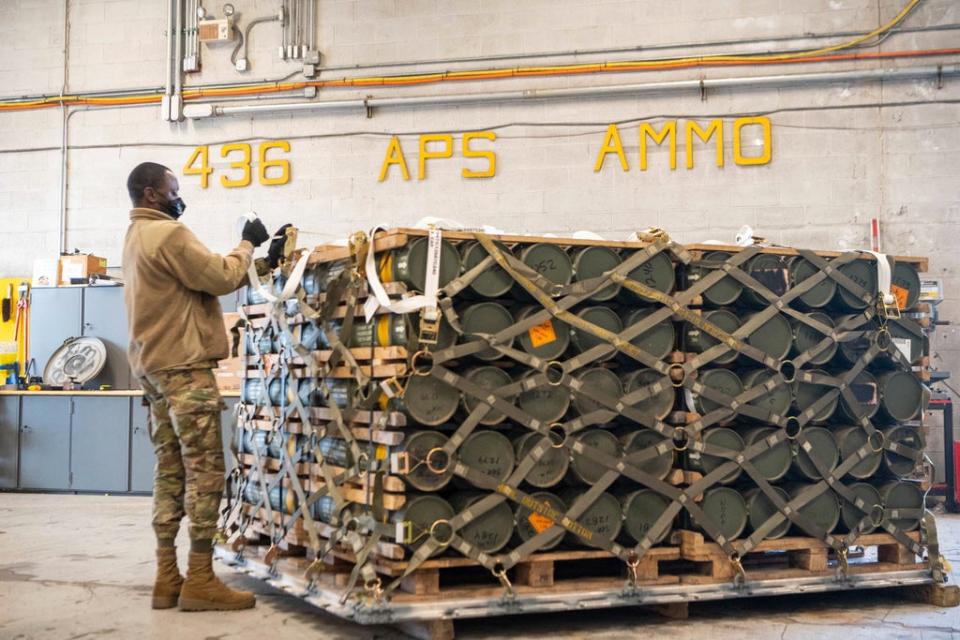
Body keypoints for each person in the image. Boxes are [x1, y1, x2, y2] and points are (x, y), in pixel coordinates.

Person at [122, 161, 271, 611]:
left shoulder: (134, 238)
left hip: (152, 368)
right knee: (204, 473)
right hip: (185, 368)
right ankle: (201, 581)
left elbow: (199, 279)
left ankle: (167, 578)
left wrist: (259, 261)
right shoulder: (169, 234)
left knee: (169, 470)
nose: (177, 195)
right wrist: (248, 241)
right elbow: (220, 277)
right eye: (173, 189)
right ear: (152, 194)